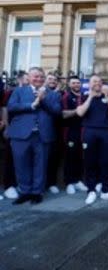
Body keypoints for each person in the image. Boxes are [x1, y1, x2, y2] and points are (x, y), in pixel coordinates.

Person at [7, 67, 62, 204]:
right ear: (29, 78)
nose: (39, 79)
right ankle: (24, 192)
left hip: (42, 135)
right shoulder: (19, 91)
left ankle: (37, 192)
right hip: (21, 134)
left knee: (41, 165)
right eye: (35, 76)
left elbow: (57, 111)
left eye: (41, 77)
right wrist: (31, 105)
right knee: (21, 164)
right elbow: (11, 107)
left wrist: (42, 100)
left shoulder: (53, 94)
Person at [76, 75, 108, 205]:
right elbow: (80, 113)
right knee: (90, 161)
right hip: (90, 131)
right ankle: (91, 190)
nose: (98, 83)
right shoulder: (84, 96)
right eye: (94, 81)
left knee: (106, 161)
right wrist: (90, 96)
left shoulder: (107, 97)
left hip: (106, 132)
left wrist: (106, 96)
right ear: (89, 84)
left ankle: (106, 190)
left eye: (100, 82)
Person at [1, 71, 29, 200]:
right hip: (13, 129)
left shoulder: (30, 92)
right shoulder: (12, 92)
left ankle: (19, 184)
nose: (29, 80)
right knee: (10, 158)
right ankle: (9, 185)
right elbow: (5, 108)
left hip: (24, 131)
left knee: (21, 159)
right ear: (20, 80)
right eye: (27, 78)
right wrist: (7, 126)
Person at [61, 76, 88, 195]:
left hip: (83, 131)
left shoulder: (84, 97)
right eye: (74, 83)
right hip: (70, 130)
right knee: (70, 157)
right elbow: (63, 114)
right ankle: (69, 183)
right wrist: (77, 111)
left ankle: (77, 180)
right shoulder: (66, 96)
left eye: (78, 83)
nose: (76, 85)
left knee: (80, 156)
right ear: (69, 84)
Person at [45, 73, 64, 194]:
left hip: (56, 129)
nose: (53, 81)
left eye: (55, 80)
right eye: (50, 79)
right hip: (43, 129)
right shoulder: (41, 92)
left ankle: (51, 183)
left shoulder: (60, 94)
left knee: (53, 158)